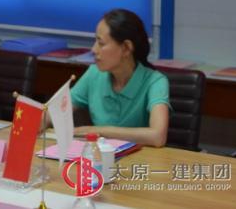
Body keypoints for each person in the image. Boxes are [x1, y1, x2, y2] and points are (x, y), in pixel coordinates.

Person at [69, 8, 170, 147]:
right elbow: (56, 111)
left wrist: (99, 131)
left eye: (101, 43)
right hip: (101, 156)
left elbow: (157, 136)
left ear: (126, 48)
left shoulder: (155, 81)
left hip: (140, 158)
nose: (94, 50)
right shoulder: (94, 74)